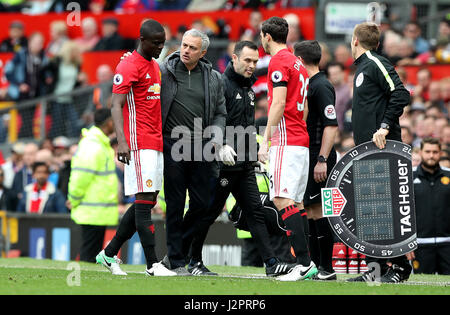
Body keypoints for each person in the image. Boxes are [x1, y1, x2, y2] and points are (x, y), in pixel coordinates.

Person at [184, 40, 296, 277]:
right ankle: (192, 260)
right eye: (247, 60)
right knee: (208, 213)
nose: (252, 65)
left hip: (243, 165)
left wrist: (252, 153)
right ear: (234, 58)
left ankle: (272, 263)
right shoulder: (221, 85)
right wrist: (220, 144)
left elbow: (243, 126)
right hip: (220, 166)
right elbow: (206, 120)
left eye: (255, 61)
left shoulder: (248, 88)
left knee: (256, 213)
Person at [96, 20, 175, 277]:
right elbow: (115, 104)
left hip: (155, 141)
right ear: (142, 39)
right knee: (143, 202)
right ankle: (153, 264)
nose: (160, 47)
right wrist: (121, 141)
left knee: (148, 199)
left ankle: (109, 254)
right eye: (155, 43)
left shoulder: (153, 65)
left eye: (162, 43)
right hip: (138, 142)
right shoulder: (128, 65)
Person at [158, 29, 227, 275]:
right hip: (172, 143)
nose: (185, 50)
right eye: (184, 45)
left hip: (202, 145)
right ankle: (176, 261)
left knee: (202, 204)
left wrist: (217, 137)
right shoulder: (163, 71)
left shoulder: (214, 78)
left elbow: (220, 112)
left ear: (203, 52)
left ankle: (176, 252)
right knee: (175, 204)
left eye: (192, 47)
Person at [347, 22, 412, 283]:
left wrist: (384, 127)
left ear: (354, 41)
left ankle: (399, 267)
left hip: (382, 147)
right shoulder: (363, 67)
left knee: (387, 209)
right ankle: (375, 270)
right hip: (365, 150)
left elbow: (401, 94)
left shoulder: (376, 62)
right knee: (370, 211)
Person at [257, 16, 317, 282]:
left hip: (287, 141)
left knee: (281, 199)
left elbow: (278, 104)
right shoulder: (297, 62)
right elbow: (302, 108)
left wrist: (266, 139)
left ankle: (303, 264)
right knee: (297, 203)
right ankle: (307, 262)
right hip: (300, 139)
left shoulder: (279, 62)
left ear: (266, 37)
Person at [294, 40, 339, 281]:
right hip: (309, 155)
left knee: (320, 210)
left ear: (299, 61)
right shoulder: (309, 84)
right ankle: (315, 267)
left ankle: (327, 269)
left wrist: (322, 159)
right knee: (310, 211)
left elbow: (331, 126)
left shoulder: (321, 86)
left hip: (318, 157)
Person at [67, 109, 119, 263]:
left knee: (92, 254)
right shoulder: (93, 146)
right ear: (109, 122)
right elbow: (80, 176)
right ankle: (82, 286)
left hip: (97, 210)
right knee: (89, 255)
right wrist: (74, 199)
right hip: (92, 210)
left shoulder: (99, 144)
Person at [410, 137, 450, 275]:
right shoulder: (408, 177)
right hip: (420, 245)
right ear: (420, 152)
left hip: (447, 244)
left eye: (435, 152)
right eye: (427, 151)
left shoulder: (449, 175)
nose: (431, 155)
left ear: (440, 153)